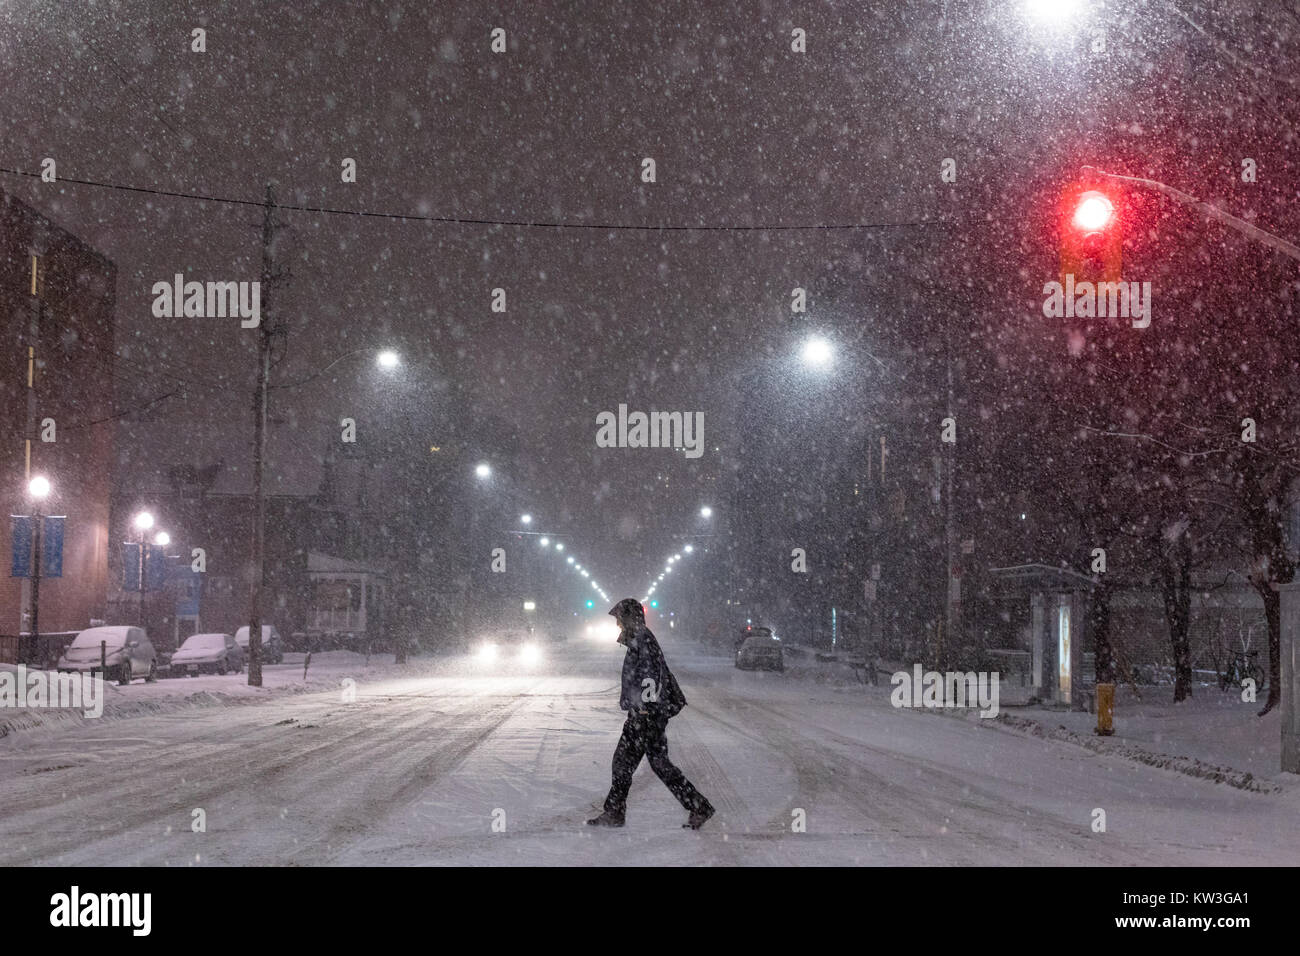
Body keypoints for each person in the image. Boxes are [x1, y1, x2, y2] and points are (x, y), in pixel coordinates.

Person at [587, 598, 715, 830]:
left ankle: (698, 807)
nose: (617, 624)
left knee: (644, 763)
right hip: (645, 713)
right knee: (634, 763)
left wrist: (645, 709)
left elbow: (649, 676)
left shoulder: (643, 640)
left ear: (629, 618)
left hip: (646, 715)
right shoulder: (640, 638)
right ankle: (616, 812)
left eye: (619, 618)